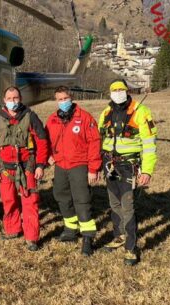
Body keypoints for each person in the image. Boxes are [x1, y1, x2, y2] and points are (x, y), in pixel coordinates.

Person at [98, 80, 158, 266]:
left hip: (128, 166)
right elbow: (99, 140)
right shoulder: (106, 113)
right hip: (110, 165)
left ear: (127, 91)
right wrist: (99, 165)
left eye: (120, 90)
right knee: (114, 202)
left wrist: (147, 170)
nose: (117, 93)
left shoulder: (141, 112)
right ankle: (119, 236)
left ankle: (131, 248)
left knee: (127, 205)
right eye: (114, 90)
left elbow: (149, 145)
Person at [0, 86, 49, 251]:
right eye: (9, 98)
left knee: (30, 203)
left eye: (15, 98)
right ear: (4, 101)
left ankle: (32, 238)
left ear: (20, 99)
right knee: (9, 201)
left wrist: (40, 165)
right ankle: (12, 229)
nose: (12, 101)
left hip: (26, 167)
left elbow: (42, 142)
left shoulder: (30, 116)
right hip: (5, 169)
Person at [45, 86, 102, 256]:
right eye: (59, 99)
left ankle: (88, 236)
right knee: (61, 196)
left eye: (65, 98)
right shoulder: (53, 119)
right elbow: (44, 139)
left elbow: (95, 143)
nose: (63, 102)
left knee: (82, 200)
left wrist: (93, 169)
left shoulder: (84, 118)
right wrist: (48, 154)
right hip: (61, 165)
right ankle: (70, 229)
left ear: (71, 97)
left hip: (79, 164)